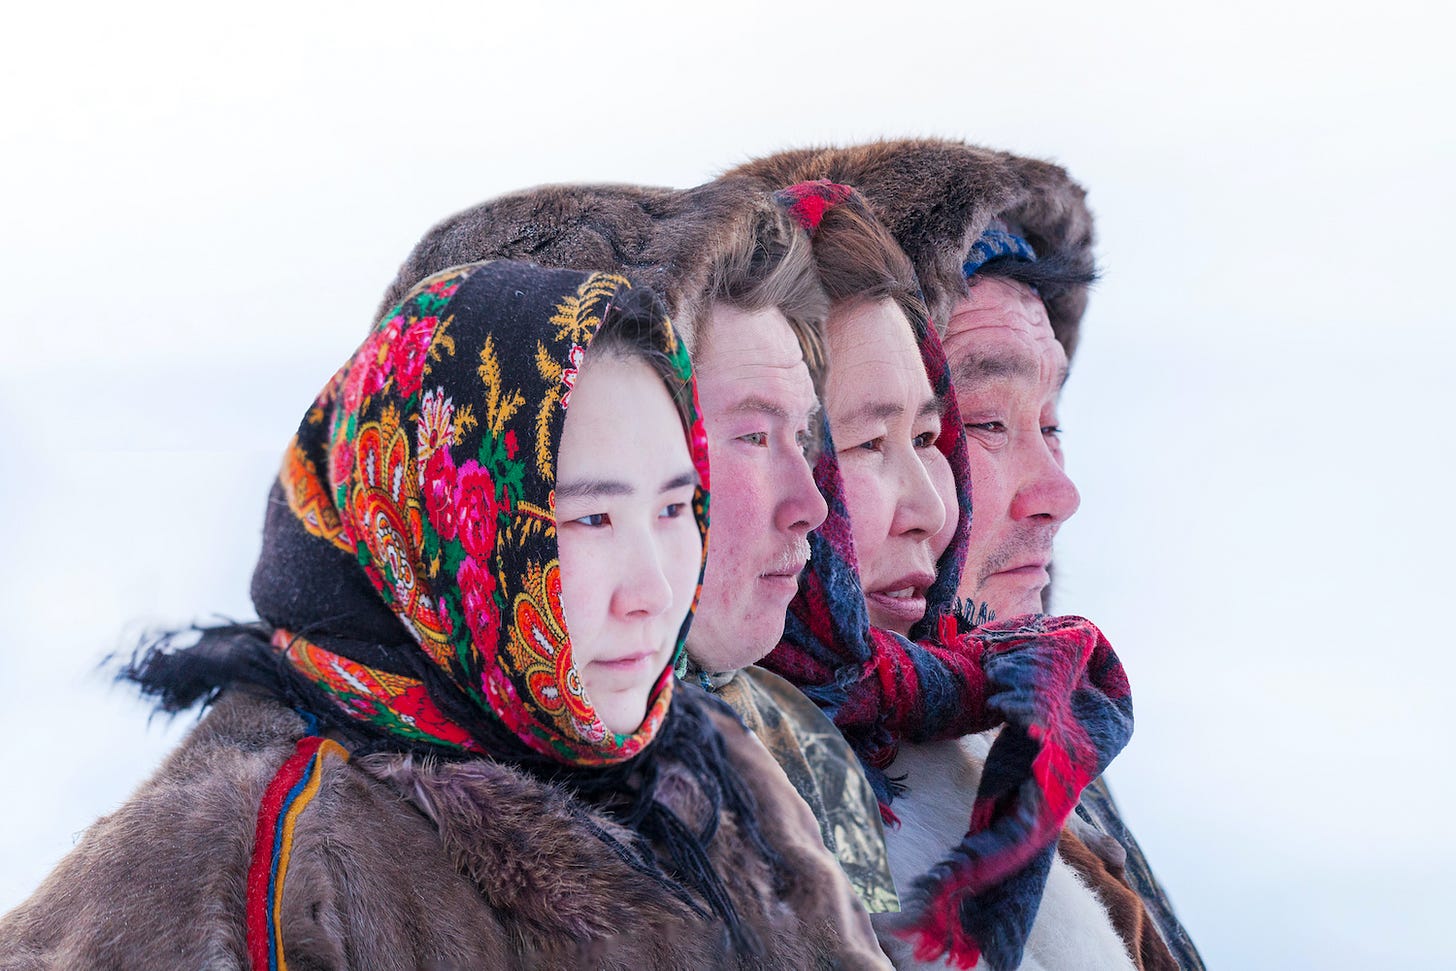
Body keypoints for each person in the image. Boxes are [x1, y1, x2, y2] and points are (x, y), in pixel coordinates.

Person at [0, 260, 888, 970]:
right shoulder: (251, 866)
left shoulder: (714, 767)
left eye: (672, 508)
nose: (654, 587)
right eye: (587, 518)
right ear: (443, 524)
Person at [728, 142, 1203, 968]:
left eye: (1051, 422)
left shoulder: (1034, 732)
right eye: (984, 423)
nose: (1058, 490)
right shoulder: (731, 799)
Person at [379, 183, 900, 911]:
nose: (812, 504)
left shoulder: (799, 752)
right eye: (750, 436)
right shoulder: (328, 862)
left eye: (804, 435)